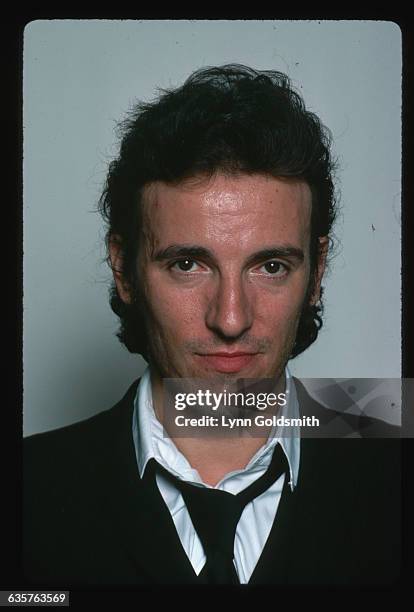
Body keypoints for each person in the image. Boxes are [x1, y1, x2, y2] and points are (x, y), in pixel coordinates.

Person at [23, 64, 400, 586]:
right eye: (187, 264)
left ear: (316, 273)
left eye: (271, 267)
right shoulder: (24, 486)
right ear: (123, 268)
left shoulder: (392, 452)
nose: (230, 318)